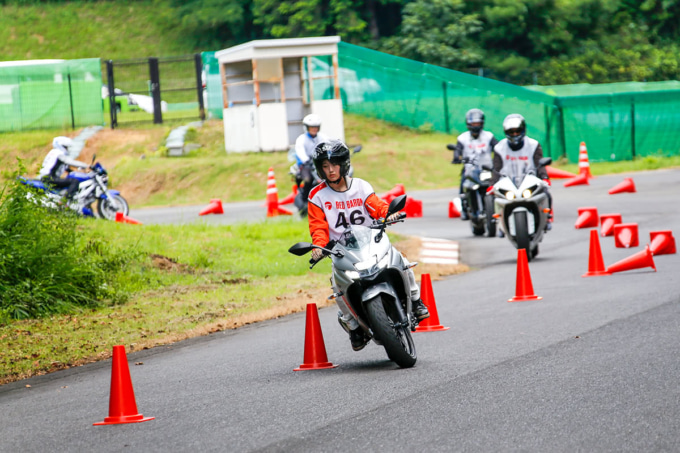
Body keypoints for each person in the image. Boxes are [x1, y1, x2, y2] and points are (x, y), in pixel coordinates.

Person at [307, 139, 430, 351]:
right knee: (337, 286)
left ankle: (417, 301)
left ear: (343, 164)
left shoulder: (361, 186)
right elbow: (317, 226)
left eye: (334, 165)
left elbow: (378, 206)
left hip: (371, 240)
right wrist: (318, 246)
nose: (331, 170)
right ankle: (354, 327)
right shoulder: (316, 196)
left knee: (401, 260)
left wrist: (390, 214)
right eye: (325, 167)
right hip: (341, 250)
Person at [489, 113, 553, 230]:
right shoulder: (499, 147)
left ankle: (547, 217)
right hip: (509, 184)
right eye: (511, 132)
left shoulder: (533, 145)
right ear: (506, 132)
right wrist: (492, 184)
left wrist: (544, 178)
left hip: (529, 181)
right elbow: (496, 168)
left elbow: (539, 164)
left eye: (517, 131)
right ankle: (499, 222)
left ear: (523, 130)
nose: (514, 134)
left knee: (546, 193)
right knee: (492, 197)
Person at [451, 109, 498, 220]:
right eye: (473, 123)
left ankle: (496, 206)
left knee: (496, 184)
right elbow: (458, 149)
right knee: (464, 184)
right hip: (470, 168)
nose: (475, 126)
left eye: (478, 123)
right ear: (468, 124)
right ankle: (464, 208)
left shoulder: (488, 136)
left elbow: (498, 147)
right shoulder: (462, 138)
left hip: (486, 169)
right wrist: (457, 157)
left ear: (482, 123)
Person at [38, 136, 90, 209]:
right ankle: (63, 201)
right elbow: (69, 161)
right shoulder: (58, 153)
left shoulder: (53, 152)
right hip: (50, 178)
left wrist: (71, 171)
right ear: (61, 146)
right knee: (74, 181)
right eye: (66, 147)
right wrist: (86, 166)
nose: (67, 149)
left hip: (46, 177)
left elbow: (60, 166)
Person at [294, 113, 329, 216]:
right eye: (312, 127)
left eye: (316, 127)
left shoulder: (323, 137)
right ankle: (304, 200)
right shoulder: (301, 139)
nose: (314, 129)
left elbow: (329, 146)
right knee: (308, 179)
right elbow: (300, 152)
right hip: (306, 165)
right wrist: (306, 161)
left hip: (319, 163)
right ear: (307, 128)